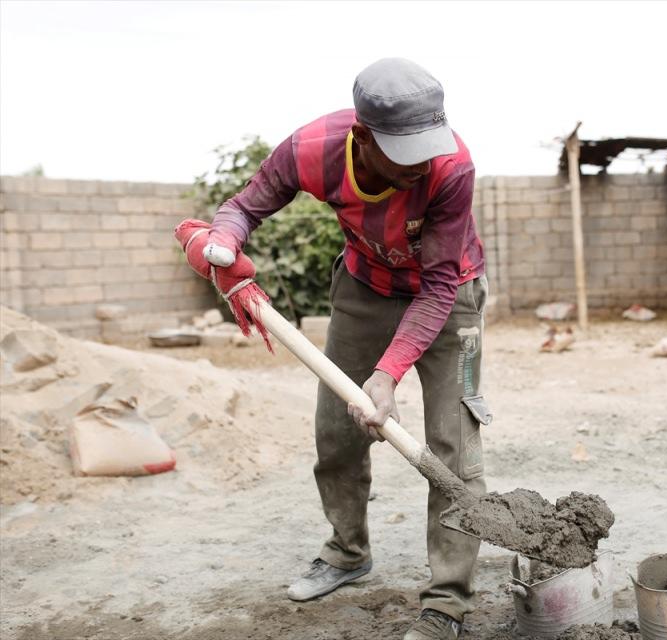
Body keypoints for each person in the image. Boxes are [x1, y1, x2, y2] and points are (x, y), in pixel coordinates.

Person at [202, 58, 490, 640]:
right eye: (404, 152)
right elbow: (242, 207)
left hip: (449, 294)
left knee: (453, 448)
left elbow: (436, 285)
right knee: (336, 430)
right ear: (363, 137)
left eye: (426, 145)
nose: (421, 163)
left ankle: (448, 601)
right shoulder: (313, 149)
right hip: (363, 287)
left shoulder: (451, 167)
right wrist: (224, 241)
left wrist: (387, 375)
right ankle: (348, 551)